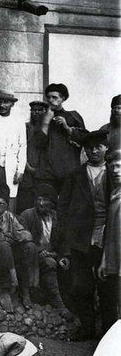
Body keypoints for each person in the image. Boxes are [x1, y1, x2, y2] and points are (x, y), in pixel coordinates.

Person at [59, 130, 111, 340]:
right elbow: (63, 208)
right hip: (81, 238)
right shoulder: (76, 175)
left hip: (109, 238)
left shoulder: (114, 173)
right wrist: (65, 241)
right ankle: (87, 328)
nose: (94, 151)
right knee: (81, 286)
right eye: (90, 148)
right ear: (85, 151)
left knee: (107, 287)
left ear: (106, 148)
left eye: (99, 147)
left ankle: (108, 335)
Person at [0, 184, 38, 312]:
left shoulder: (9, 216)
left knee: (30, 247)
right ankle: (4, 289)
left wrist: (14, 236)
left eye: (2, 204)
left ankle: (25, 289)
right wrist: (12, 236)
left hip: (7, 255)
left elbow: (27, 235)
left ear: (6, 205)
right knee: (3, 245)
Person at [17, 184, 67, 309]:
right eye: (38, 199)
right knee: (31, 248)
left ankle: (59, 301)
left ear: (52, 203)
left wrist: (63, 256)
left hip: (50, 256)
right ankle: (26, 293)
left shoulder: (57, 218)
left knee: (53, 263)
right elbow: (21, 238)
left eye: (45, 200)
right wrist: (39, 250)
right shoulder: (27, 215)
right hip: (28, 256)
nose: (40, 203)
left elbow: (64, 241)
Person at [35, 83, 87, 193]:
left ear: (63, 98)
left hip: (68, 170)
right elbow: (38, 143)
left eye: (54, 97)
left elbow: (84, 139)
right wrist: (46, 122)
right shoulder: (42, 119)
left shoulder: (72, 116)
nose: (50, 100)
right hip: (47, 172)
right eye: (48, 97)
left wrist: (67, 128)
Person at [96, 149, 121, 320]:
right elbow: (111, 233)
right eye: (112, 167)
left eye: (119, 166)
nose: (115, 171)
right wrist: (104, 261)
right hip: (116, 262)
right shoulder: (114, 195)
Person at [16, 100, 48, 214]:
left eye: (40, 110)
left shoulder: (48, 130)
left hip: (44, 173)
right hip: (27, 172)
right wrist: (27, 167)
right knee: (25, 204)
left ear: (45, 111)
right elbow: (18, 148)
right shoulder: (25, 128)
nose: (37, 113)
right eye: (34, 110)